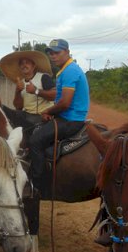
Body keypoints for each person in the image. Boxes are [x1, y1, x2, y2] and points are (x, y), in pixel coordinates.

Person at [30, 39, 90, 185]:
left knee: (35, 140)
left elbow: (65, 102)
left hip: (70, 120)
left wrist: (48, 110)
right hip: (67, 116)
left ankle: (36, 182)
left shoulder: (70, 71)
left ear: (67, 52)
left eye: (57, 52)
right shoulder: (66, 70)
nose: (53, 56)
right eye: (51, 53)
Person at [0, 50, 56, 125]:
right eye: (22, 63)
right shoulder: (20, 82)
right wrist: (18, 91)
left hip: (43, 116)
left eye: (27, 63)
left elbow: (54, 95)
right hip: (26, 115)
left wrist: (36, 91)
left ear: (34, 66)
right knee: (3, 110)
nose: (24, 65)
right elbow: (18, 107)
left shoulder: (43, 77)